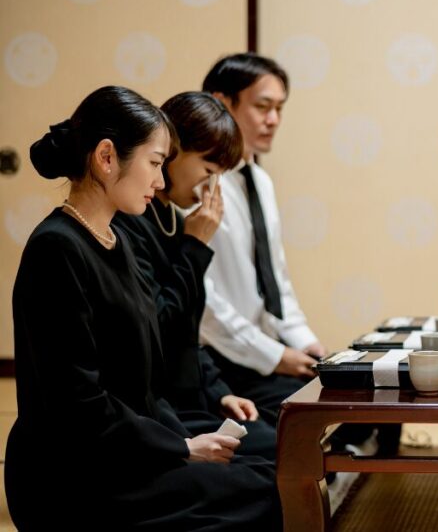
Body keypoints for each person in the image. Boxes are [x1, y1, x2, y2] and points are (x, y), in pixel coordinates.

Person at [6, 86, 280, 530]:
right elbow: (78, 404)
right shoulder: (56, 249)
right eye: (154, 163)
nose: (160, 179)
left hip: (128, 453)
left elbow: (150, 382)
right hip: (73, 476)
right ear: (107, 157)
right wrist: (182, 448)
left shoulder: (117, 243)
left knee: (268, 480)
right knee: (267, 497)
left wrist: (188, 439)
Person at [199, 53, 389, 452]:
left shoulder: (260, 181)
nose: (273, 120)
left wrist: (307, 344)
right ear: (222, 101)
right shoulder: (200, 185)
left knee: (376, 404)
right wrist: (275, 356)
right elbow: (206, 305)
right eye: (262, 106)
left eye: (279, 109)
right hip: (222, 360)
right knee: (315, 419)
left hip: (262, 349)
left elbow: (277, 281)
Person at [114, 91, 277, 461]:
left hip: (193, 395)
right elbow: (160, 322)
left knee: (286, 443)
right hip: (162, 408)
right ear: (173, 151)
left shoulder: (175, 219)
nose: (210, 187)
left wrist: (220, 391)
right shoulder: (133, 224)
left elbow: (190, 332)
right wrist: (196, 247)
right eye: (207, 170)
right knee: (277, 459)